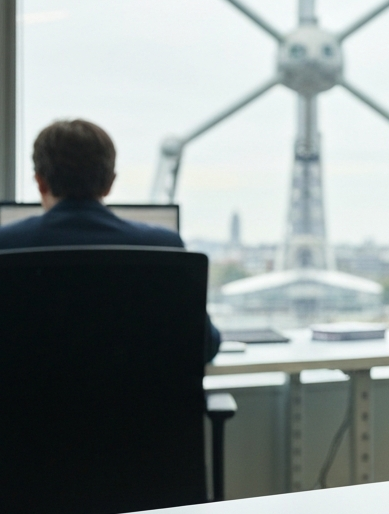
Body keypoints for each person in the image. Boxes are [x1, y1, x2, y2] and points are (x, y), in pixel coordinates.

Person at [0, 119, 223, 362]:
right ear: (109, 183)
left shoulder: (6, 244)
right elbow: (204, 345)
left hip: (31, 400)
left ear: (40, 181)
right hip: (140, 400)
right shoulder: (163, 246)